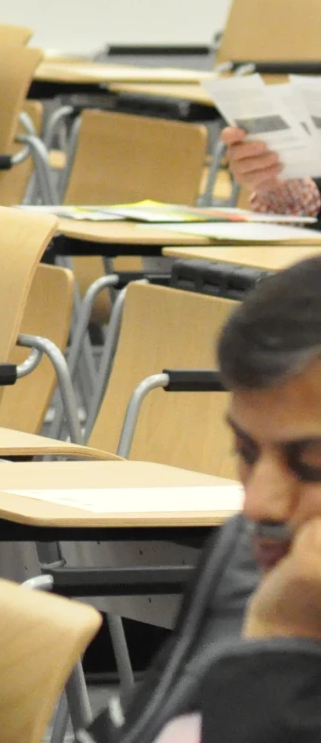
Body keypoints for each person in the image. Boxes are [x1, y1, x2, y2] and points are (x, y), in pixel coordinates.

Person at [110, 257, 321, 743]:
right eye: (245, 452)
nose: (258, 505)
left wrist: (278, 649)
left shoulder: (277, 600)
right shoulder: (248, 561)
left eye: (312, 462)